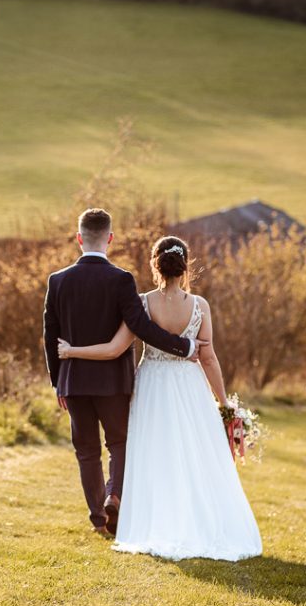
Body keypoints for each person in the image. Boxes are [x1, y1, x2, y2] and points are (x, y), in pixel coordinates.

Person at [57, 235, 262, 561]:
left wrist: (71, 351)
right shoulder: (200, 306)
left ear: (155, 265)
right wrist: (224, 404)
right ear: (185, 267)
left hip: (152, 386)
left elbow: (114, 348)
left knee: (152, 454)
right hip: (189, 387)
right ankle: (197, 523)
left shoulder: (142, 303)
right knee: (192, 454)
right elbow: (209, 359)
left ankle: (152, 521)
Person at [43, 209, 206, 538]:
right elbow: (141, 327)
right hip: (113, 382)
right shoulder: (121, 279)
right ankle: (114, 495)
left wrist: (58, 381)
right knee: (119, 443)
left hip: (73, 381)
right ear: (110, 239)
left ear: (79, 238)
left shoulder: (58, 281)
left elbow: (50, 335)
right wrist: (184, 347)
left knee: (86, 451)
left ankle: (98, 519)